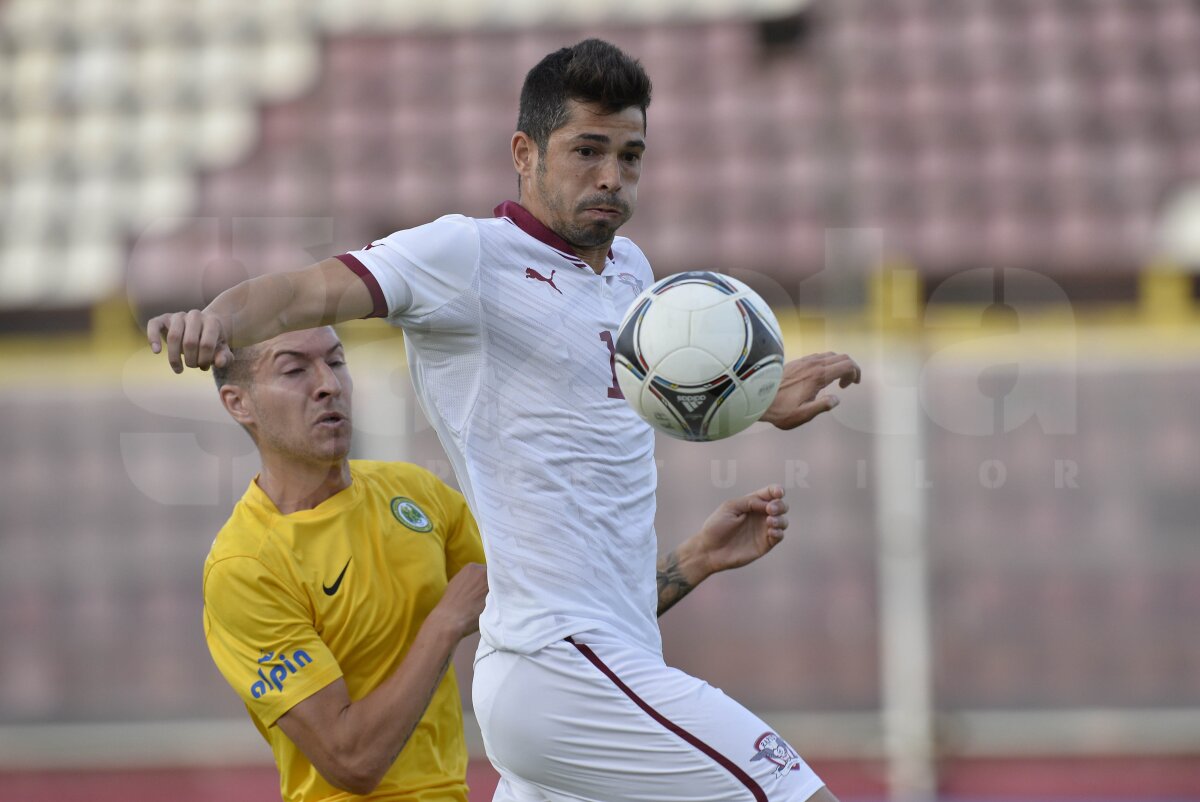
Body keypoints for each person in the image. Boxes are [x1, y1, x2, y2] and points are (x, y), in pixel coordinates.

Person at [151, 39, 861, 802]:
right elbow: (302, 292)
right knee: (791, 792)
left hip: (606, 656)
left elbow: (612, 426)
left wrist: (749, 407)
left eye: (630, 156)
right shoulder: (465, 258)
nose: (611, 178)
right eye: (587, 151)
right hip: (558, 665)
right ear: (524, 152)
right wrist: (217, 317)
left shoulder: (635, 277)